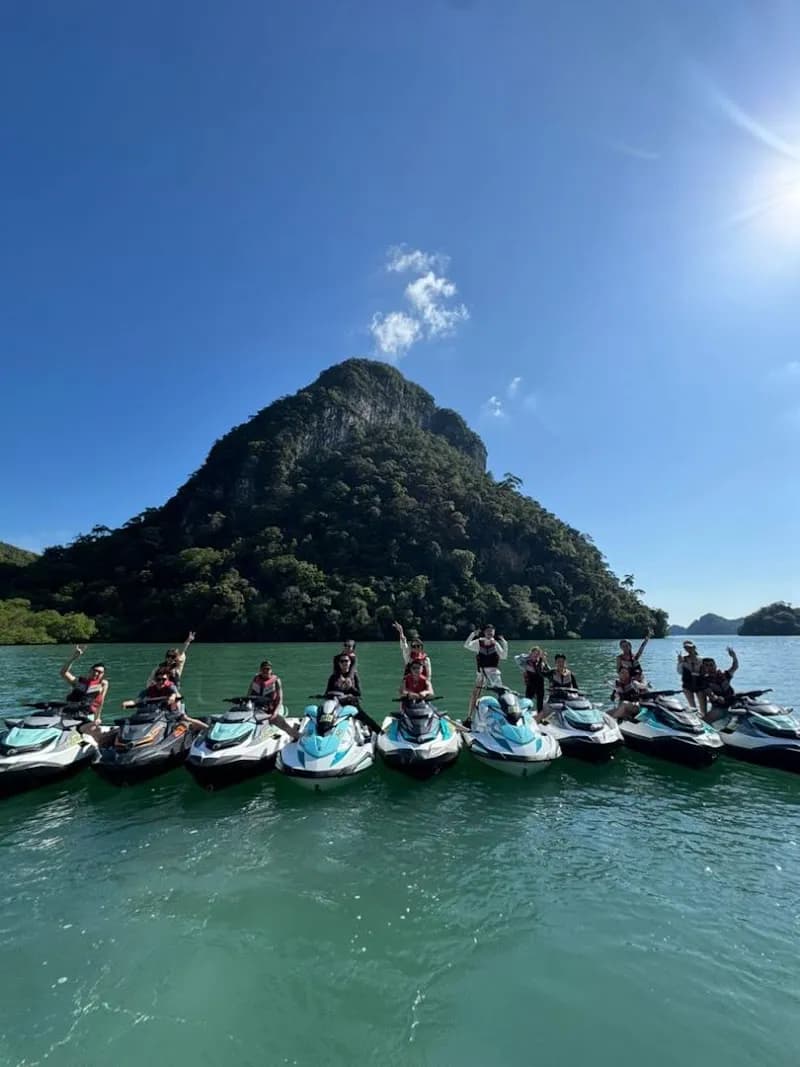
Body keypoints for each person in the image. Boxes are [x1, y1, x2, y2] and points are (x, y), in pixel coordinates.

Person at [122, 669, 206, 731]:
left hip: (170, 712)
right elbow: (136, 701)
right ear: (155, 680)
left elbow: (175, 694)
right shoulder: (149, 690)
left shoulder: (170, 687)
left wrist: (172, 698)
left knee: (186, 719)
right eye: (159, 679)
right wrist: (127, 703)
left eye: (164, 679)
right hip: (154, 714)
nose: (161, 682)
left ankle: (207, 729)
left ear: (167, 680)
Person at [323, 655, 380, 733]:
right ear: (339, 664)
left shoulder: (354, 676)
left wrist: (350, 687)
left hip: (350, 703)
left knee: (364, 717)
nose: (344, 663)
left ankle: (379, 732)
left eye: (346, 661)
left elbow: (358, 693)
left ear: (350, 663)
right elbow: (327, 692)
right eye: (342, 661)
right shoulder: (333, 677)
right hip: (336, 703)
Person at [247, 660, 299, 739]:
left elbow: (280, 699)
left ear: (271, 670)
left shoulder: (276, 681)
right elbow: (248, 695)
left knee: (283, 725)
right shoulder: (255, 678)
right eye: (263, 669)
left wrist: (275, 713)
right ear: (260, 670)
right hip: (256, 709)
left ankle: (297, 736)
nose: (265, 671)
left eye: (268, 669)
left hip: (269, 711)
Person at [464, 624, 508, 715]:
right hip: (482, 673)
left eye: (492, 631)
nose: (490, 633)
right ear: (484, 632)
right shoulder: (478, 642)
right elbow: (466, 645)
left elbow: (503, 656)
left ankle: (505, 712)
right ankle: (470, 716)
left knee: (501, 692)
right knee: (475, 693)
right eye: (488, 631)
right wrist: (473, 634)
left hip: (494, 673)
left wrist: (505, 643)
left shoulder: (495, 644)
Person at [701, 648, 739, 720]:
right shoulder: (705, 681)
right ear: (704, 668)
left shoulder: (725, 675)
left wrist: (734, 656)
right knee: (706, 720)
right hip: (719, 706)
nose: (709, 667)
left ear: (715, 665)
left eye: (711, 665)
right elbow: (710, 694)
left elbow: (735, 666)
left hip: (732, 703)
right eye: (706, 665)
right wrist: (717, 698)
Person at [514, 646, 548, 712]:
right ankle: (526, 713)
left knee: (540, 701)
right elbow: (516, 658)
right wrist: (528, 657)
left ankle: (540, 716)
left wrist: (545, 660)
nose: (536, 655)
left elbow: (548, 671)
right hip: (530, 684)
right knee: (528, 700)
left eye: (537, 654)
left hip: (540, 684)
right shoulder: (526, 662)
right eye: (534, 653)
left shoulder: (541, 662)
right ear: (531, 653)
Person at [677, 640, 706, 716]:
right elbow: (680, 672)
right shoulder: (683, 659)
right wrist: (680, 663)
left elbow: (705, 672)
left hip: (700, 685)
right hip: (687, 685)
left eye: (690, 647)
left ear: (694, 648)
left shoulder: (701, 659)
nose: (688, 649)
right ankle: (696, 721)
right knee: (693, 708)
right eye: (686, 648)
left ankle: (706, 721)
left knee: (703, 709)